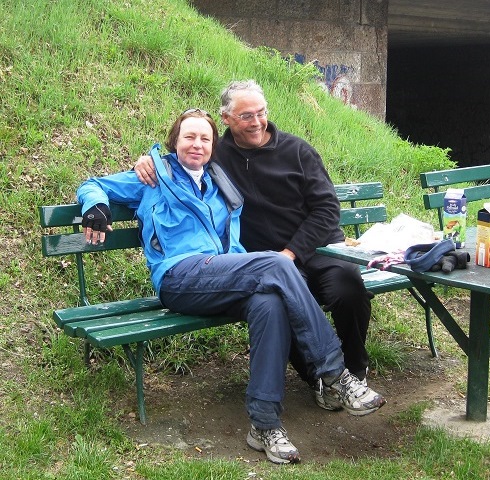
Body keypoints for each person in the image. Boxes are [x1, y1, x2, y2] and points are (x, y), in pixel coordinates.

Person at [77, 109, 385, 465]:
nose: (197, 144)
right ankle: (335, 373)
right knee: (275, 262)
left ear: (214, 146)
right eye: (189, 137)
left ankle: (264, 424)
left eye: (205, 138)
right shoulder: (153, 177)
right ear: (174, 142)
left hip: (222, 277)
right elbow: (92, 184)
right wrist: (96, 207)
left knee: (269, 303)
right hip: (180, 277)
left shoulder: (220, 183)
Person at [134, 80, 374, 411]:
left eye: (261, 113)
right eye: (247, 115)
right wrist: (146, 162)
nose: (257, 122)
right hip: (263, 260)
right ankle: (318, 379)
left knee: (349, 287)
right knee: (277, 294)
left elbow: (327, 209)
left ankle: (355, 371)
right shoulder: (218, 156)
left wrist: (291, 253)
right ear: (227, 118)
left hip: (314, 249)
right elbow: (183, 152)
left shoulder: (297, 151)